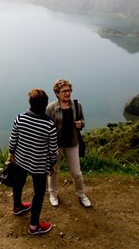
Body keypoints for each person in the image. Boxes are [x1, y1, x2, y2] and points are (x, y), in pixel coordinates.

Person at [8, 88, 58, 235]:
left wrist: (11, 154)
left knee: (18, 183)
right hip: (38, 165)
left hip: (20, 159)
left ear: (30, 103)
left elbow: (13, 140)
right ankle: (34, 226)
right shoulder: (49, 125)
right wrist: (52, 164)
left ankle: (17, 207)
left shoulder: (20, 118)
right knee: (39, 192)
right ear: (45, 105)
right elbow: (53, 150)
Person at [46, 79, 92, 208]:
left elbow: (82, 120)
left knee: (77, 173)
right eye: (64, 91)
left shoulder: (77, 105)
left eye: (69, 90)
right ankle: (53, 194)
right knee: (53, 171)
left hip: (72, 144)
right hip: (56, 145)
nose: (67, 93)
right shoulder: (51, 108)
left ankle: (81, 194)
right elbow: (45, 125)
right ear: (57, 93)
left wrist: (81, 124)